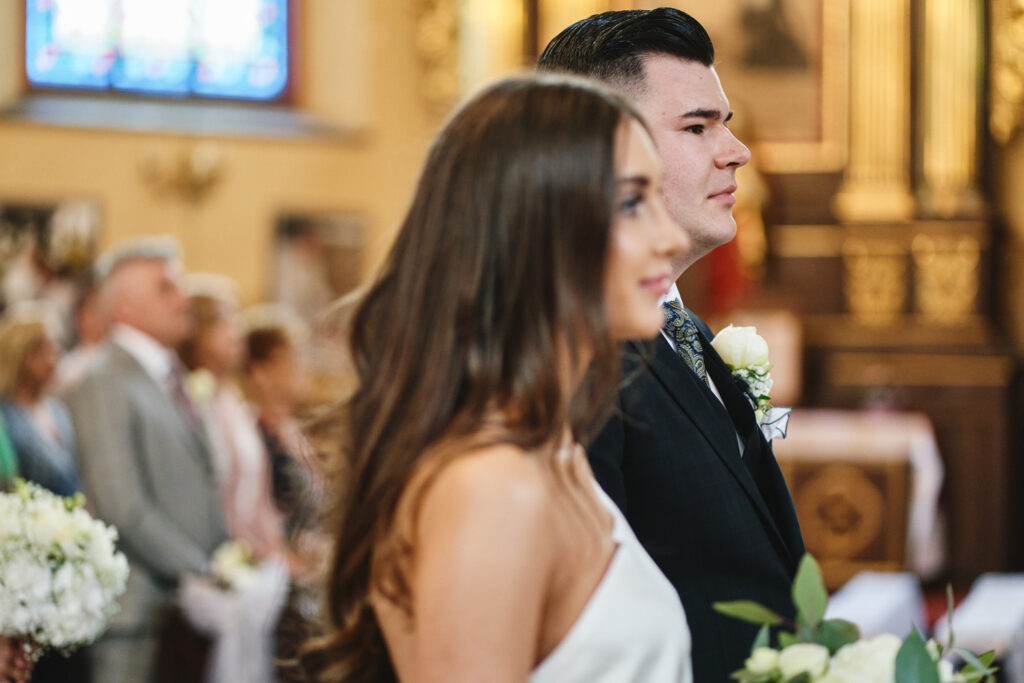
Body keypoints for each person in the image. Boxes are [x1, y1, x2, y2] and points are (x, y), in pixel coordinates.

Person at [301, 74, 691, 682]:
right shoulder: (492, 485)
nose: (671, 237)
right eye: (631, 202)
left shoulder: (554, 450)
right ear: (534, 227)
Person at [538, 8, 806, 680]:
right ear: (601, 151)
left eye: (726, 123)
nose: (737, 151)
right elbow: (582, 626)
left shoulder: (687, 332)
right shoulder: (575, 355)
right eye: (697, 126)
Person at [69, 238, 227, 683]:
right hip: (137, 614)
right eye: (166, 287)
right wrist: (201, 568)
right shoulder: (105, 380)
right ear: (124, 308)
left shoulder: (167, 374)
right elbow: (123, 505)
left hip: (181, 610)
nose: (184, 299)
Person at [178, 280, 290, 566]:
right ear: (195, 332)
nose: (237, 330)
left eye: (236, 318)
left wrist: (276, 551)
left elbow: (258, 497)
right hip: (215, 557)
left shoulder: (234, 402)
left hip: (253, 555)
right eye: (222, 321)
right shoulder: (190, 401)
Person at [0, 309, 79, 497]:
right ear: (25, 356)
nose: (57, 357)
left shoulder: (58, 410)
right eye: (49, 349)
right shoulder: (6, 418)